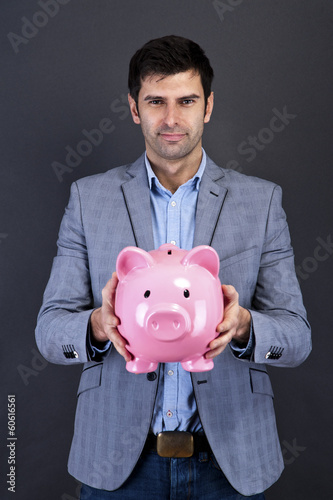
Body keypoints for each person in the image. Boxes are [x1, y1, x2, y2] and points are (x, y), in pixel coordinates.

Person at [35, 35, 311, 499]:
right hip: (119, 464)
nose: (171, 119)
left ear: (207, 106)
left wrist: (244, 326)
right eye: (156, 101)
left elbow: (297, 336)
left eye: (186, 101)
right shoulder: (89, 199)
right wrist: (98, 327)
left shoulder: (261, 202)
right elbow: (49, 330)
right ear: (133, 107)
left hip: (229, 463)